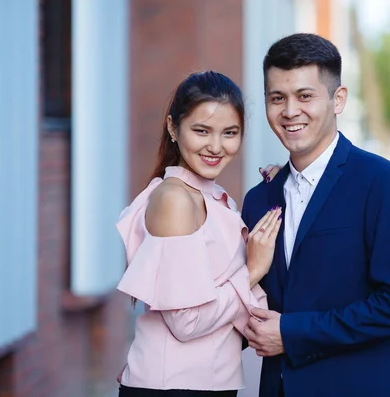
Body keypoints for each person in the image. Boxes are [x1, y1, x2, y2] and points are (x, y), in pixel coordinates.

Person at [241, 33, 390, 397]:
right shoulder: (259, 199)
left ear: (337, 99)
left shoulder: (386, 185)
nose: (290, 110)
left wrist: (292, 333)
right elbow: (247, 309)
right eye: (277, 98)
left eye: (305, 96)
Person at [116, 71, 282, 397]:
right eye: (202, 131)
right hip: (174, 386)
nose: (216, 146)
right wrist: (252, 270)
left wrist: (281, 185)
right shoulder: (175, 199)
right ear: (172, 128)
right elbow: (186, 323)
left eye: (230, 133)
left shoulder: (213, 197)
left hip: (202, 384)